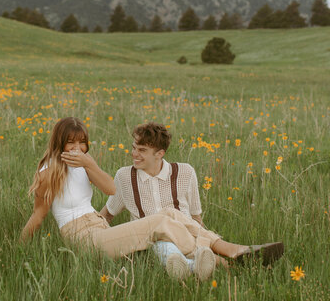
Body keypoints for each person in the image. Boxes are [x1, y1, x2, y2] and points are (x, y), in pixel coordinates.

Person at [20, 117, 222, 281]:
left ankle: (190, 266)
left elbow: (110, 188)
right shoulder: (47, 173)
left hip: (99, 227)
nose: (77, 148)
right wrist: (19, 249)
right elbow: (38, 215)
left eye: (82, 142)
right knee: (159, 221)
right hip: (81, 238)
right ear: (59, 142)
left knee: (169, 214)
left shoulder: (83, 164)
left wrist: (89, 164)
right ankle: (211, 254)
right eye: (70, 142)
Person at [100, 122, 284, 280]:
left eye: (142, 150)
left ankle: (192, 267)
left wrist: (199, 237)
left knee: (174, 218)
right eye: (134, 147)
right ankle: (226, 260)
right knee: (163, 229)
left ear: (160, 153)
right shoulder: (124, 176)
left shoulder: (185, 172)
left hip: (188, 233)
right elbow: (107, 214)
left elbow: (196, 218)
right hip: (150, 241)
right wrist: (97, 240)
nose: (134, 154)